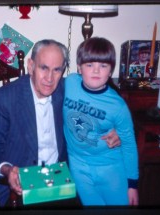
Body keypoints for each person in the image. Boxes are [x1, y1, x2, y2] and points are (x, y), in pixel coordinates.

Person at [0, 39, 120, 207]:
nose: (50, 78)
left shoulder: (68, 91)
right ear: (31, 66)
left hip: (60, 178)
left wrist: (115, 128)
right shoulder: (4, 99)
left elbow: (106, 97)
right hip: (17, 188)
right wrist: (8, 170)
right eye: (43, 68)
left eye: (57, 70)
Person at [63, 37, 139, 206]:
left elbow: (129, 144)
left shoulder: (117, 105)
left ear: (110, 71)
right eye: (89, 65)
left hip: (111, 168)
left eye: (103, 66)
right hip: (78, 168)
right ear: (79, 67)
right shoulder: (70, 83)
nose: (96, 71)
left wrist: (133, 184)